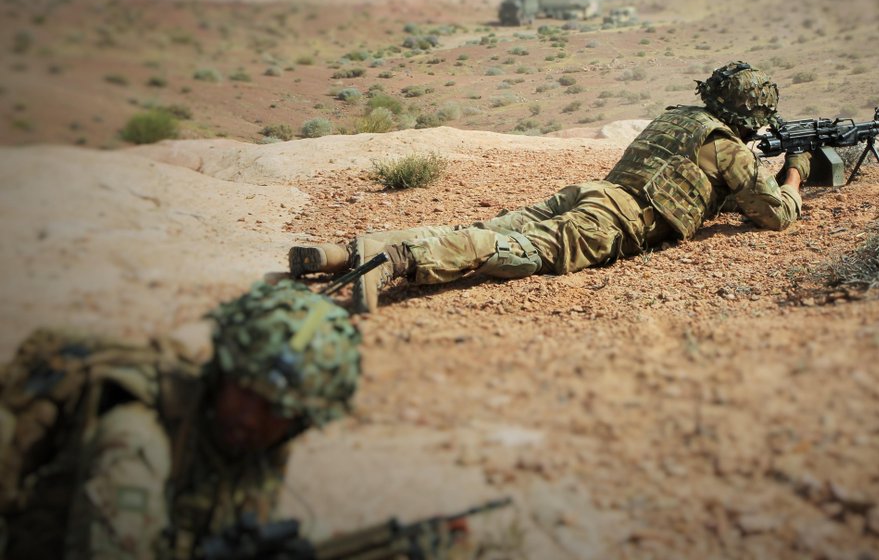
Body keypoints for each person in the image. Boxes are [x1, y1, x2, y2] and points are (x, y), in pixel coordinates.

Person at [289, 61, 812, 314]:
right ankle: (396, 264)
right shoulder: (730, 148)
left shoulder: (680, 118)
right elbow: (774, 214)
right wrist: (795, 172)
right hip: (613, 221)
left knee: (482, 226)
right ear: (750, 113)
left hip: (591, 193)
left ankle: (346, 252)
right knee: (513, 250)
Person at [0, 280, 362, 559]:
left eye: (279, 410)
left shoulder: (260, 446)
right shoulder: (136, 441)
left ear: (303, 420)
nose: (252, 419)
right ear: (221, 372)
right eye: (244, 391)